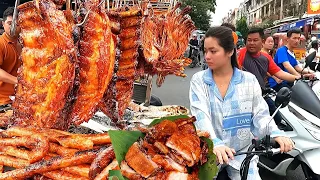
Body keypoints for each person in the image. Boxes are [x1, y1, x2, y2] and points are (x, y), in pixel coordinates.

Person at [189, 26, 294, 180]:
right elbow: (200, 114)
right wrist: (214, 143)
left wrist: (276, 133)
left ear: (230, 51)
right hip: (210, 153)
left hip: (242, 154)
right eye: (205, 51)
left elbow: (260, 114)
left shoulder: (248, 80)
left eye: (213, 51)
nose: (207, 57)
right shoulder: (199, 80)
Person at [237, 27, 301, 125]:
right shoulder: (242, 53)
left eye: (255, 40)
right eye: (249, 40)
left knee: (278, 120)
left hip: (261, 95)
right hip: (243, 97)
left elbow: (279, 73)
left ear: (262, 41)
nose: (251, 43)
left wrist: (297, 78)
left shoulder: (266, 58)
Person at [0, 7, 22, 110]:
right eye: (9, 23)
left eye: (17, 24)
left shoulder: (25, 44)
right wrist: (18, 81)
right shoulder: (1, 43)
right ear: (2, 24)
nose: (13, 26)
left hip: (19, 99)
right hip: (2, 102)